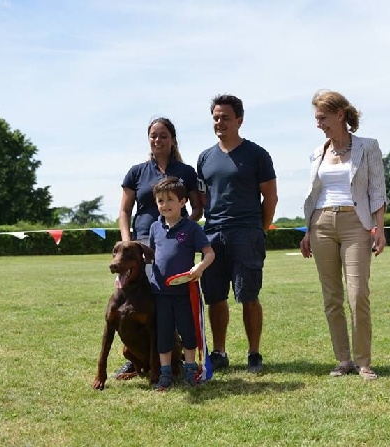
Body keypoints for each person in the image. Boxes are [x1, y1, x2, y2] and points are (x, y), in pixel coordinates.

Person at [299, 90, 388, 381]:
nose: (318, 124)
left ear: (339, 115)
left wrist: (380, 229)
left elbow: (377, 190)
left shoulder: (368, 147)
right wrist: (307, 231)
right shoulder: (317, 152)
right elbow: (314, 193)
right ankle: (343, 360)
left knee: (357, 294)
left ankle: (364, 362)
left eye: (322, 117)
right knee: (331, 298)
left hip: (356, 223)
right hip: (320, 224)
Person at [113, 116, 203, 378]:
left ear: (172, 139)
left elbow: (197, 207)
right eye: (153, 135)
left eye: (163, 135)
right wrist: (126, 242)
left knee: (170, 303)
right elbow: (124, 209)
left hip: (174, 246)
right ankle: (136, 357)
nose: (158, 139)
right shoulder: (136, 172)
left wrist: (182, 228)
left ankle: (174, 360)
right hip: (139, 246)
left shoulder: (186, 172)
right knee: (130, 306)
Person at [197, 94, 278, 373]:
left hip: (247, 233)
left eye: (226, 117)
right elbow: (203, 200)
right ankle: (219, 352)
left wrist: (259, 229)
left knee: (248, 296)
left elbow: (271, 198)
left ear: (239, 120)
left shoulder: (257, 154)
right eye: (216, 117)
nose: (220, 122)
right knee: (215, 297)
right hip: (213, 235)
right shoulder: (205, 158)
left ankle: (254, 353)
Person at [148, 176, 215, 390]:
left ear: (183, 201)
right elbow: (149, 257)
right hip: (160, 292)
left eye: (170, 200)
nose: (164, 205)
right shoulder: (154, 228)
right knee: (164, 333)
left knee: (188, 332)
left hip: (186, 292)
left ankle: (190, 369)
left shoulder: (192, 228)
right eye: (160, 201)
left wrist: (199, 268)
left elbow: (209, 254)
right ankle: (165, 373)